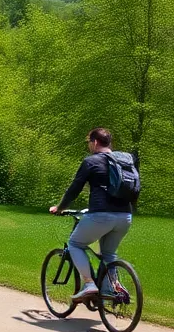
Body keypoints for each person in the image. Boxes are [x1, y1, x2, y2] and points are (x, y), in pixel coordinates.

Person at [50, 127, 133, 303]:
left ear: (94, 142)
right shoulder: (124, 161)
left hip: (101, 215)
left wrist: (60, 207)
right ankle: (111, 290)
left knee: (75, 243)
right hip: (125, 216)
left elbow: (74, 189)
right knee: (108, 254)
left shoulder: (91, 161)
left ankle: (89, 284)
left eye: (89, 142)